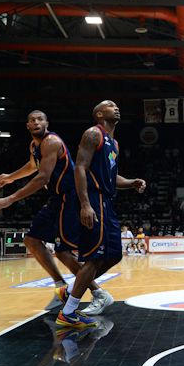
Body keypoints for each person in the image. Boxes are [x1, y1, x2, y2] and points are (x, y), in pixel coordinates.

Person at [0, 111, 111, 315]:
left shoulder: (51, 141)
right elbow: (33, 166)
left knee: (63, 252)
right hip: (55, 199)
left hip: (71, 196)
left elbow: (43, 177)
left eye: (40, 119)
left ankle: (99, 294)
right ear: (27, 126)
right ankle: (61, 288)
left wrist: (10, 198)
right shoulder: (34, 145)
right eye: (32, 120)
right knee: (32, 241)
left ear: (47, 123)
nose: (36, 122)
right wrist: (11, 177)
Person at [57, 100, 145, 328]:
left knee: (114, 254)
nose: (117, 108)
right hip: (93, 199)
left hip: (107, 201)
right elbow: (80, 168)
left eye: (118, 105)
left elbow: (112, 178)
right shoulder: (93, 134)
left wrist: (131, 182)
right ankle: (68, 311)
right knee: (96, 256)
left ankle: (72, 289)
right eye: (111, 106)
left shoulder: (113, 143)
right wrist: (85, 204)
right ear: (99, 114)